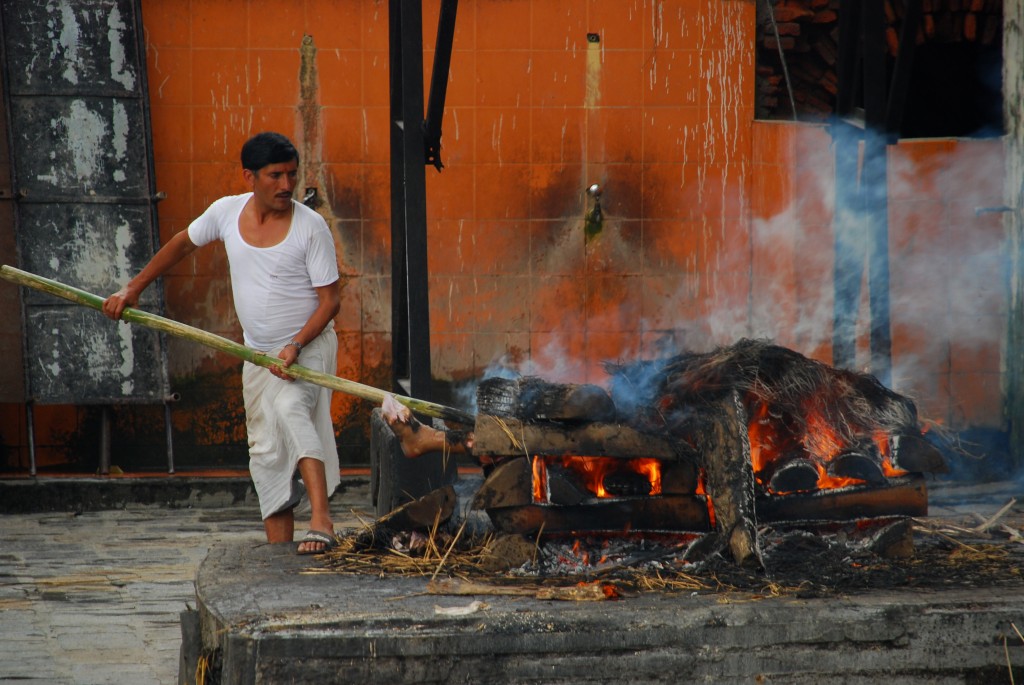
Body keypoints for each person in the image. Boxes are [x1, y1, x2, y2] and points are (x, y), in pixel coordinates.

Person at [103, 132, 342, 555]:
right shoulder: (226, 212)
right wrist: (132, 289)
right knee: (266, 453)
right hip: (257, 357)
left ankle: (322, 519)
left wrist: (297, 345)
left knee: (290, 407)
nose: (286, 185)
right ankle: (278, 558)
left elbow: (330, 301)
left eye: (291, 174)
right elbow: (181, 244)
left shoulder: (311, 227)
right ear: (249, 176)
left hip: (308, 347)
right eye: (275, 175)